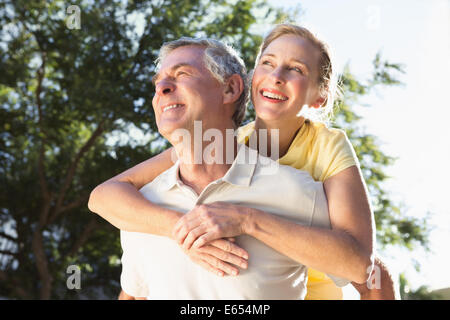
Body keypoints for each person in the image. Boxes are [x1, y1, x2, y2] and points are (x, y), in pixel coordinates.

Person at [89, 24, 396, 300]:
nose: (276, 78)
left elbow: (363, 266)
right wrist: (183, 230)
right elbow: (104, 197)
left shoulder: (324, 157)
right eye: (267, 63)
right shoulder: (192, 163)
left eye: (296, 70)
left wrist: (247, 219)